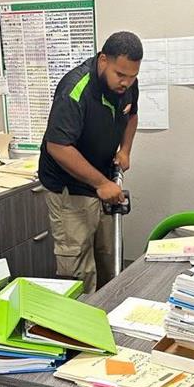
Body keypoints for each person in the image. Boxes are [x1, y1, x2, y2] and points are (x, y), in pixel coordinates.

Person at [38, 31, 142, 293]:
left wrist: (126, 150)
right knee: (79, 271)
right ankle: (78, 329)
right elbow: (58, 146)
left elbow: (131, 117)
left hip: (104, 181)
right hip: (69, 189)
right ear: (103, 60)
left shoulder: (128, 82)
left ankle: (108, 317)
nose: (126, 83)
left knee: (109, 258)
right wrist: (100, 183)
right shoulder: (75, 89)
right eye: (121, 75)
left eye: (132, 76)